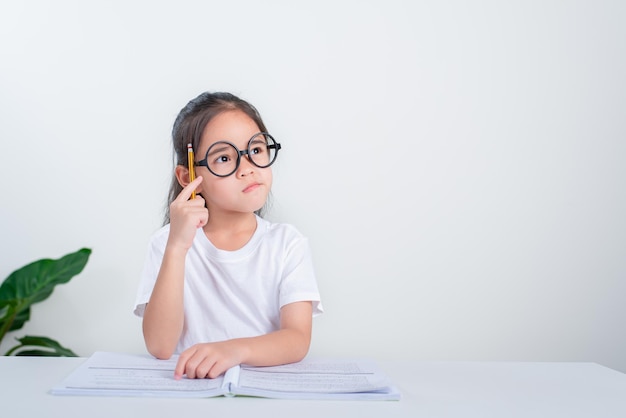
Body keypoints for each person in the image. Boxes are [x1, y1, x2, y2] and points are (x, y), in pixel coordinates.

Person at [134, 92, 323, 380]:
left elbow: (297, 339)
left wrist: (233, 351)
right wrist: (177, 247)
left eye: (256, 151)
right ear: (188, 177)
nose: (247, 169)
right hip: (189, 394)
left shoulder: (287, 244)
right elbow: (160, 346)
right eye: (224, 157)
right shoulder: (166, 244)